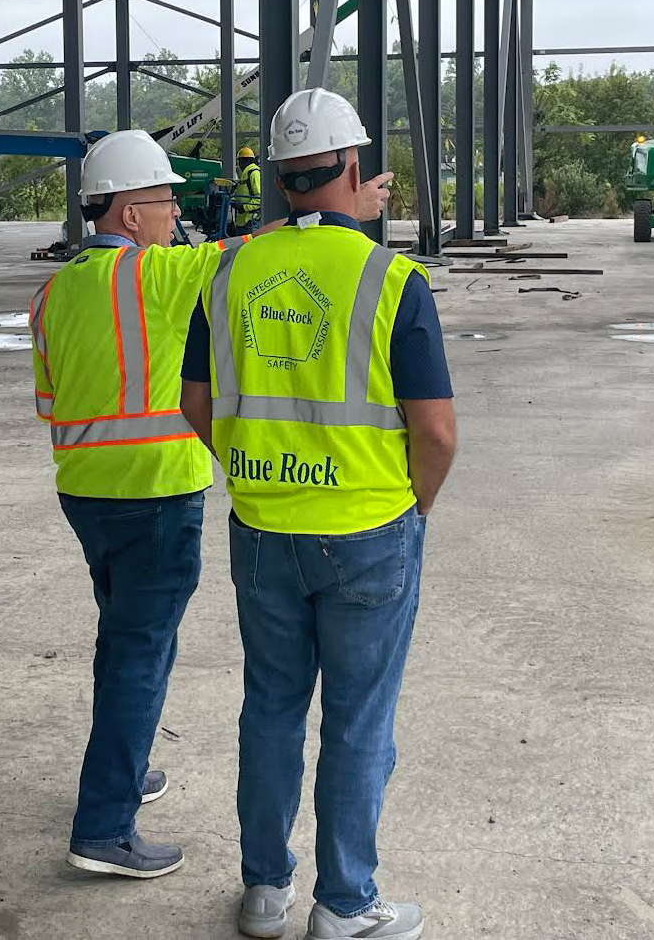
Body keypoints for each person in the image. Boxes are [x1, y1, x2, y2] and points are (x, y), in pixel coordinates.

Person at [30, 129, 388, 883]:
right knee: (140, 652)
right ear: (128, 215)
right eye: (164, 202)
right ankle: (103, 826)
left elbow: (48, 400)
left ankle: (123, 767)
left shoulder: (52, 291)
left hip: (82, 490)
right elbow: (255, 249)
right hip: (154, 488)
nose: (173, 216)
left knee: (121, 636)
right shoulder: (155, 276)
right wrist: (342, 207)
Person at [181, 88, 455, 940]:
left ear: (282, 179)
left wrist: (253, 466)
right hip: (369, 529)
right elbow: (436, 431)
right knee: (357, 719)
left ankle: (265, 893)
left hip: (261, 526)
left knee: (269, 705)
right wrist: (412, 506)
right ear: (348, 167)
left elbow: (195, 401)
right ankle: (344, 903)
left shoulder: (228, 271)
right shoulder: (390, 278)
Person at [232, 146, 262, 233]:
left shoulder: (254, 173)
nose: (240, 165)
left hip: (250, 220)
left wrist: (244, 207)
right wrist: (234, 201)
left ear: (247, 161)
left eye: (241, 161)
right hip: (243, 221)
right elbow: (239, 193)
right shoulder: (245, 174)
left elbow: (260, 198)